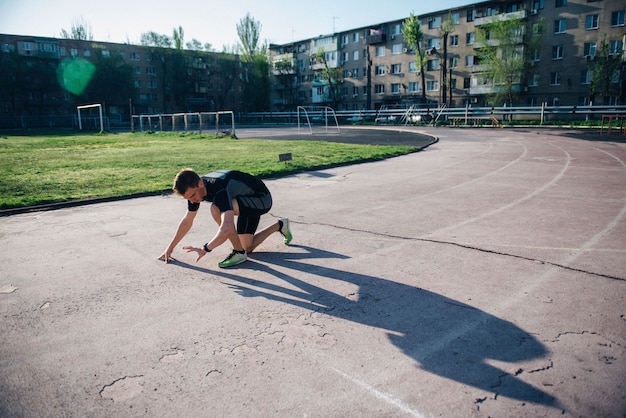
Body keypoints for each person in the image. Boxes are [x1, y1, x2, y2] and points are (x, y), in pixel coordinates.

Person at [158, 168, 292, 268]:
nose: (192, 201)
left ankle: (238, 252)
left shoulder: (218, 188)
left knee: (215, 208)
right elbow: (187, 221)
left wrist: (205, 249)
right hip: (244, 198)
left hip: (262, 199)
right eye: (188, 198)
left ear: (200, 184)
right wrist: (170, 248)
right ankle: (280, 225)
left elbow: (227, 228)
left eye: (192, 196)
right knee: (248, 247)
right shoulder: (194, 192)